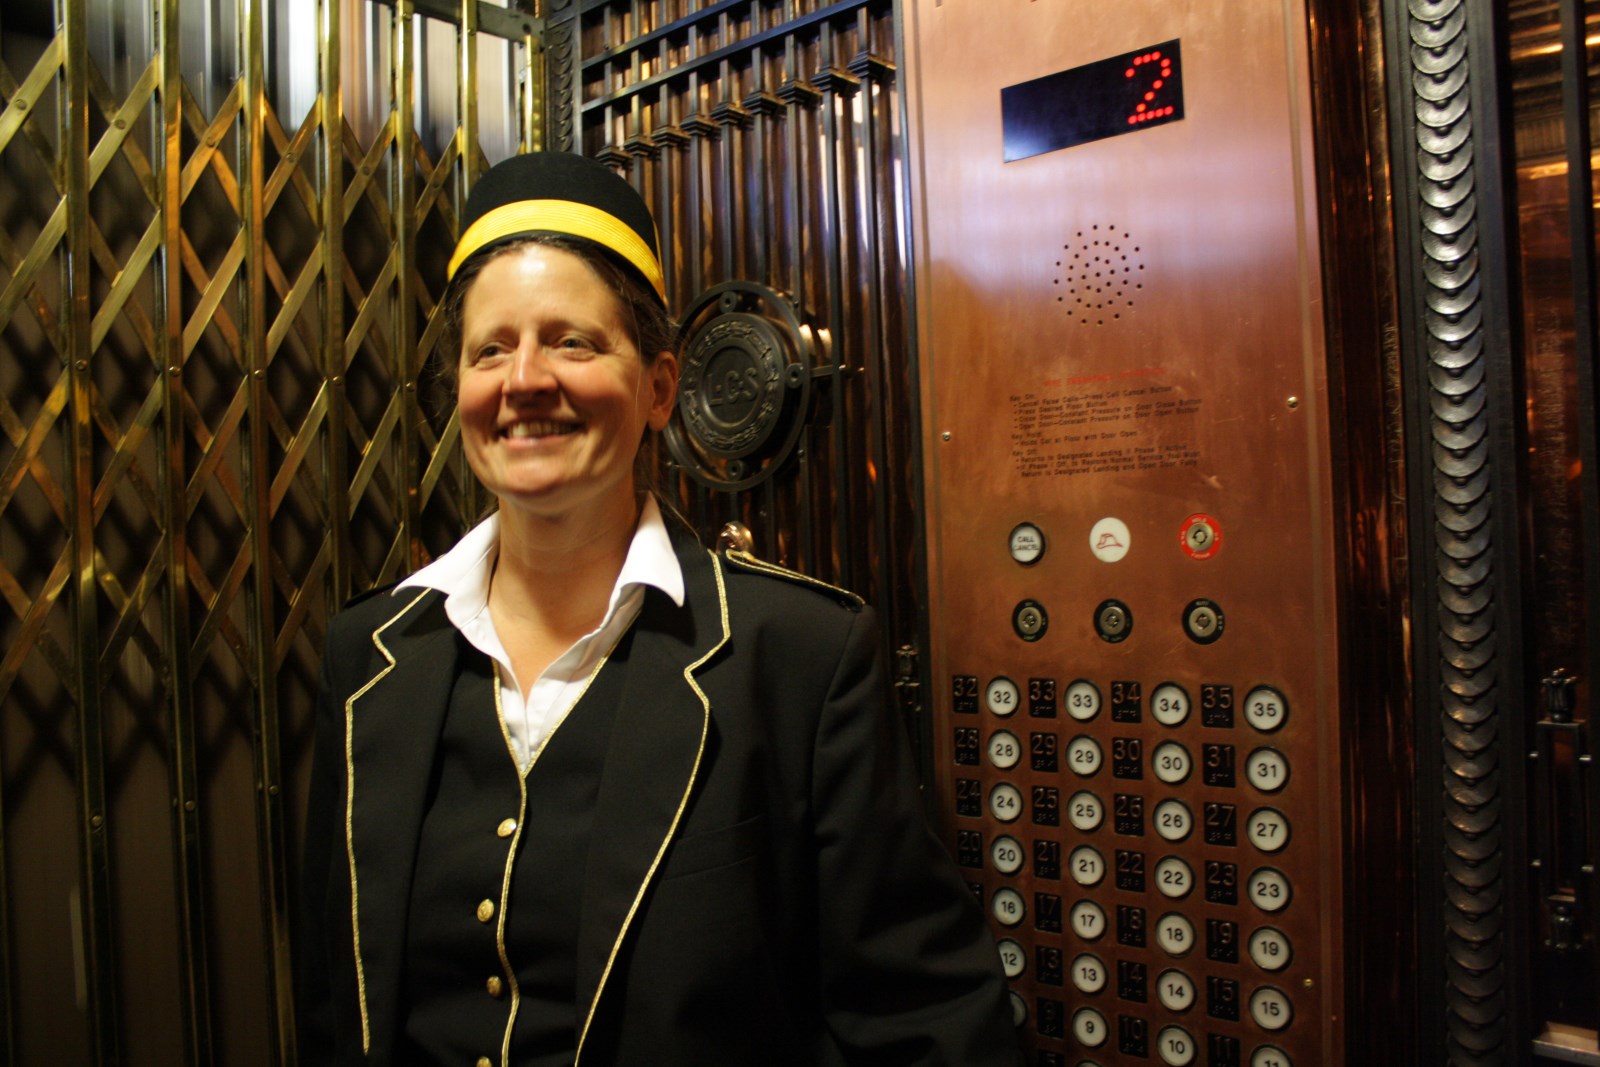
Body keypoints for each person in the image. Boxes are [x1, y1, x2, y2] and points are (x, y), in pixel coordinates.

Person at [295, 151, 1016, 1066]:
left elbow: (925, 1020)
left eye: (573, 342)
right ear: (461, 393)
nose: (524, 380)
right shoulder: (368, 653)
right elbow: (332, 998)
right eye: (491, 349)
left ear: (660, 388)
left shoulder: (798, 657)